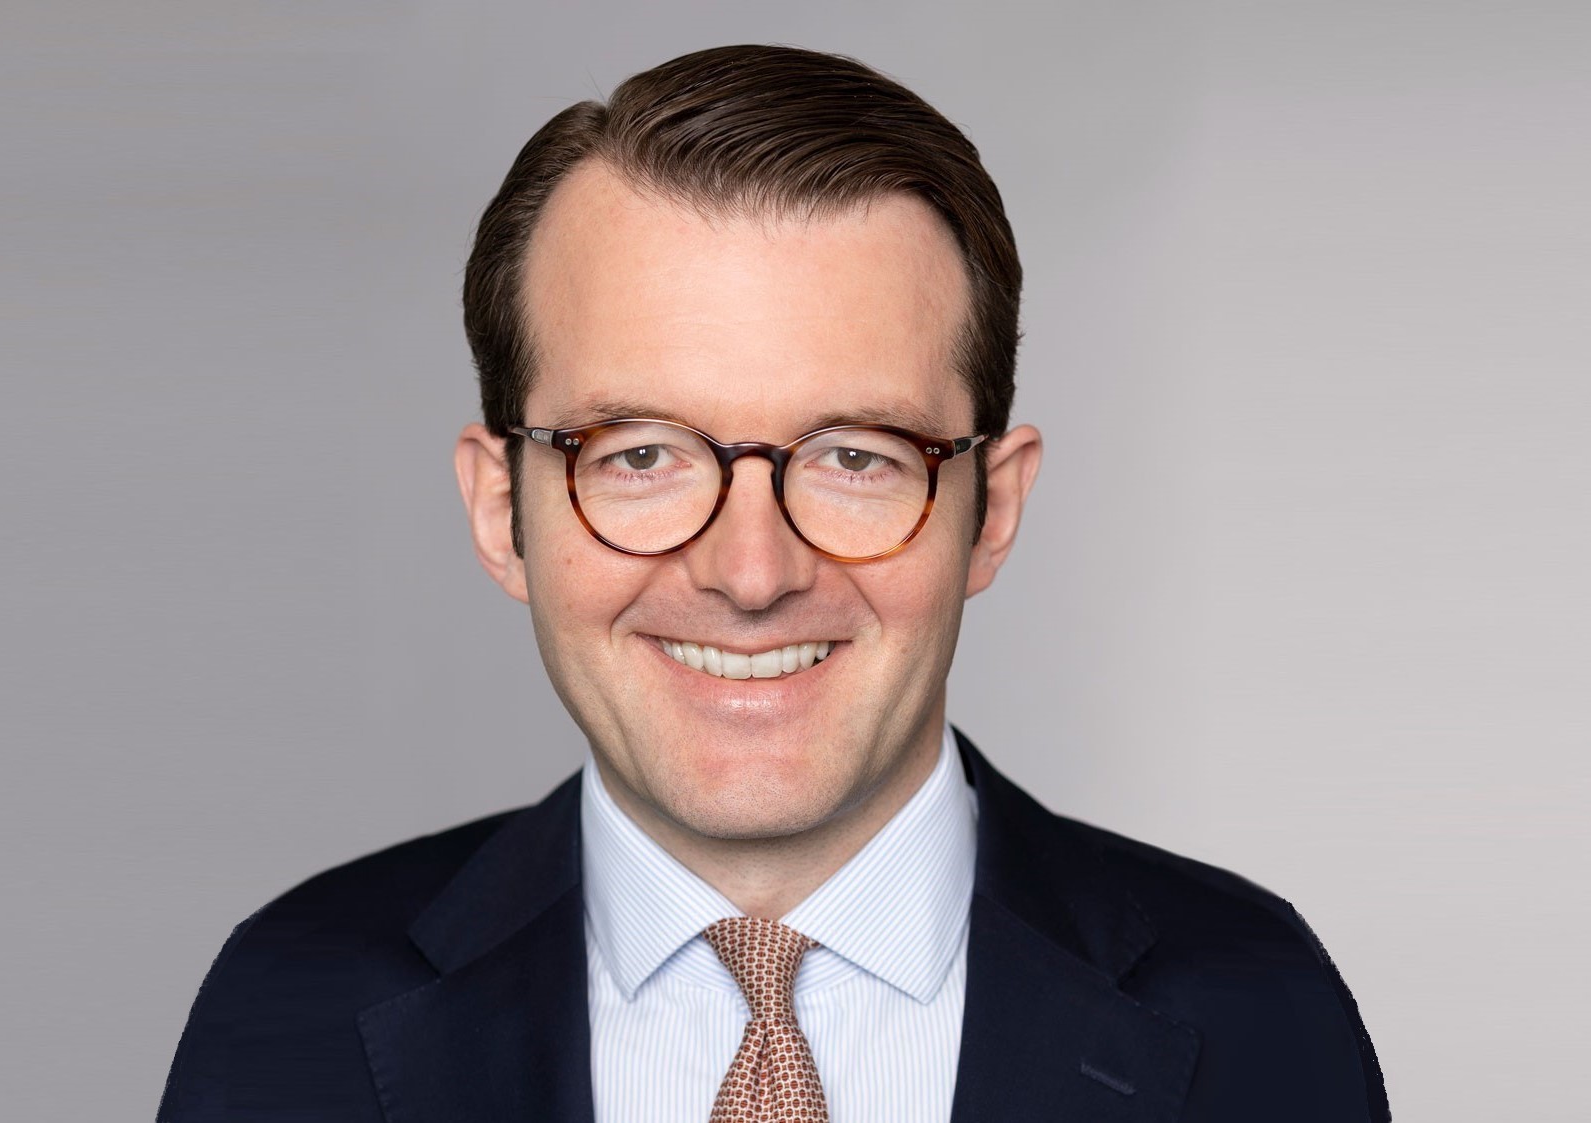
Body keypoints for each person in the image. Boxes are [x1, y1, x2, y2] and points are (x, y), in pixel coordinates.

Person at [158, 44, 1388, 1122]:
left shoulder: (1254, 1011)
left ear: (990, 509)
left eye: (855, 456)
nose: (752, 573)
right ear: (500, 510)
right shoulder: (294, 1005)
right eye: (638, 454)